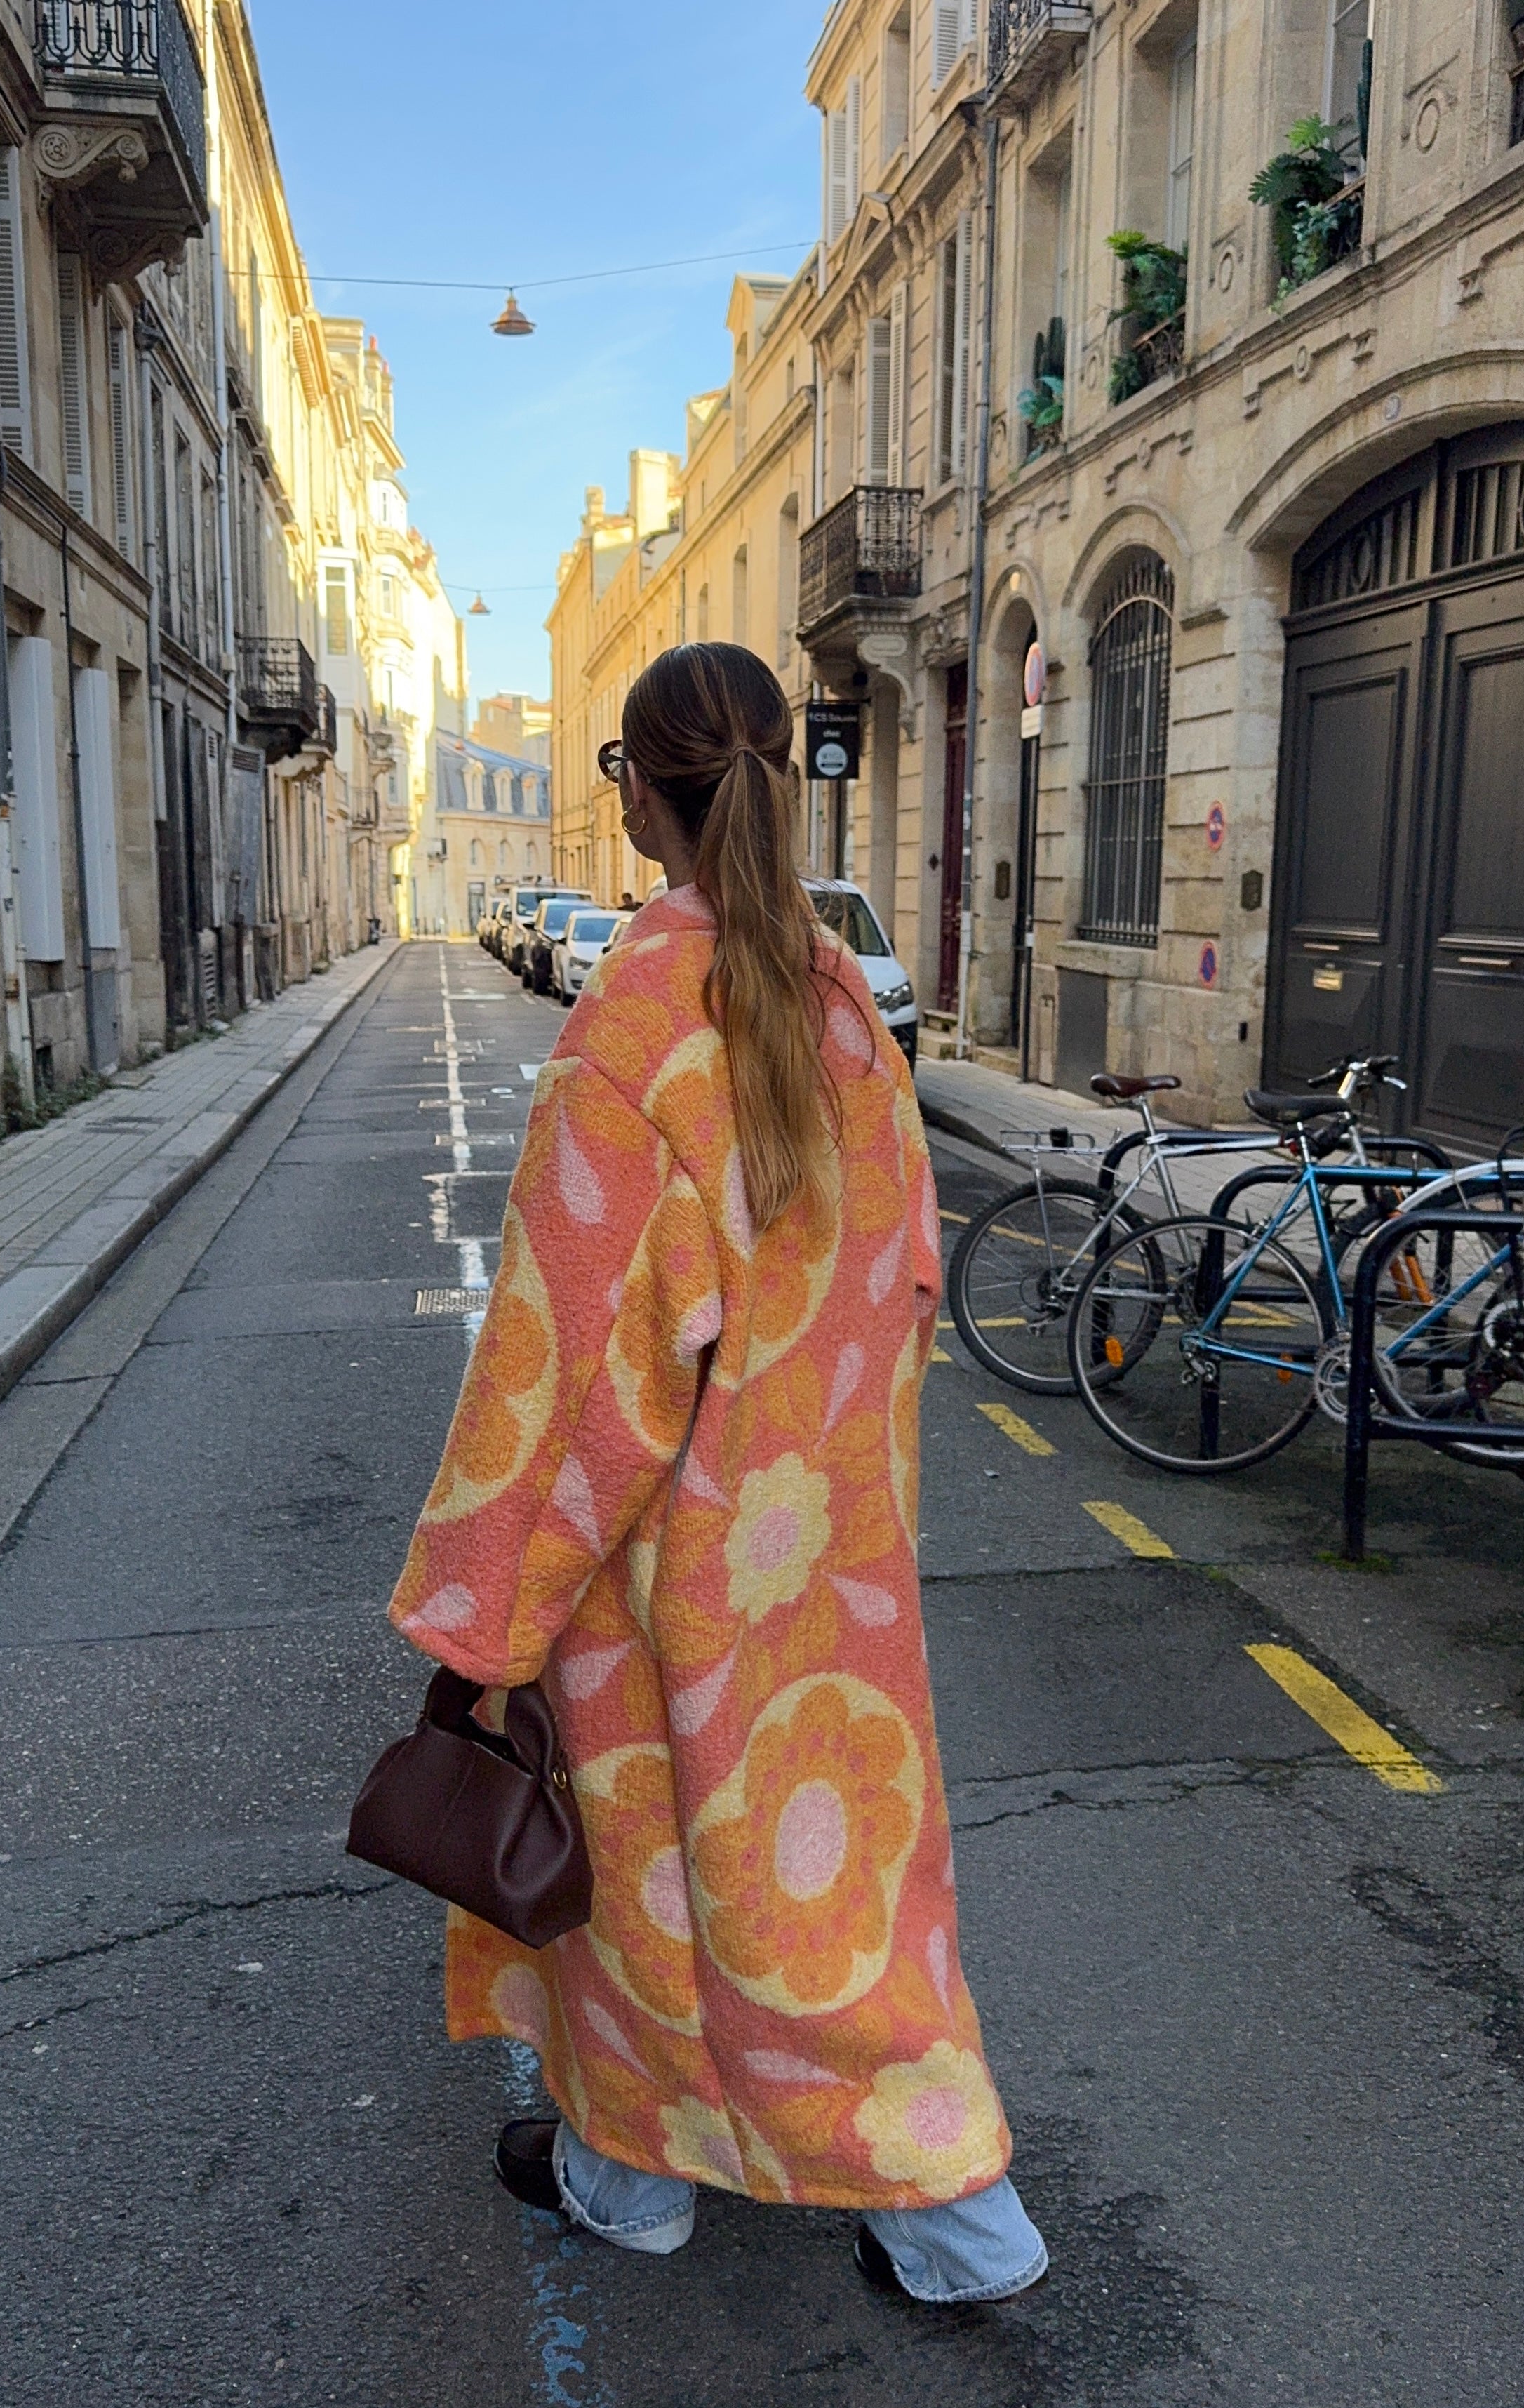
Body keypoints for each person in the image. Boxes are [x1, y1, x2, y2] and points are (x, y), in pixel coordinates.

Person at [389, 641, 1045, 2305]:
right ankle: (955, 2215)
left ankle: (638, 2186)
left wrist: (489, 1612)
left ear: (639, 791)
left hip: (666, 1553)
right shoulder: (838, 1008)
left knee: (643, 1877)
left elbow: (568, 1362)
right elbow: (905, 1283)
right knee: (843, 1885)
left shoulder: (630, 1026)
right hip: (829, 1547)